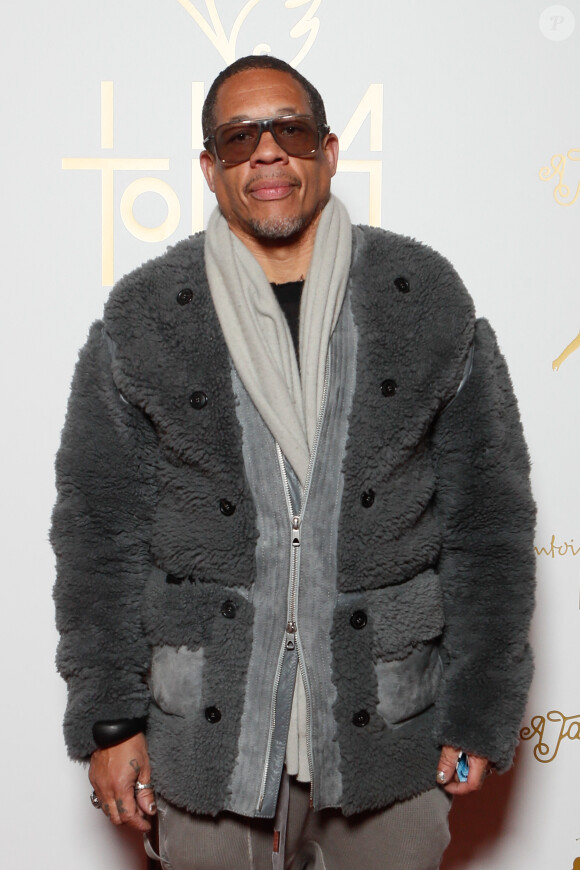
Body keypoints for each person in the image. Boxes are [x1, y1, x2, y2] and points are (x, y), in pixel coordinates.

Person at [52, 55, 536, 870]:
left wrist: (482, 710)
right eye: (240, 137)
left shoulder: (424, 297)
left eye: (291, 130)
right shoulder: (141, 317)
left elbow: (489, 528)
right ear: (210, 167)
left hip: (391, 732)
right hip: (204, 733)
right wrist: (109, 722)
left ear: (329, 151)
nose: (268, 152)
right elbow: (98, 537)